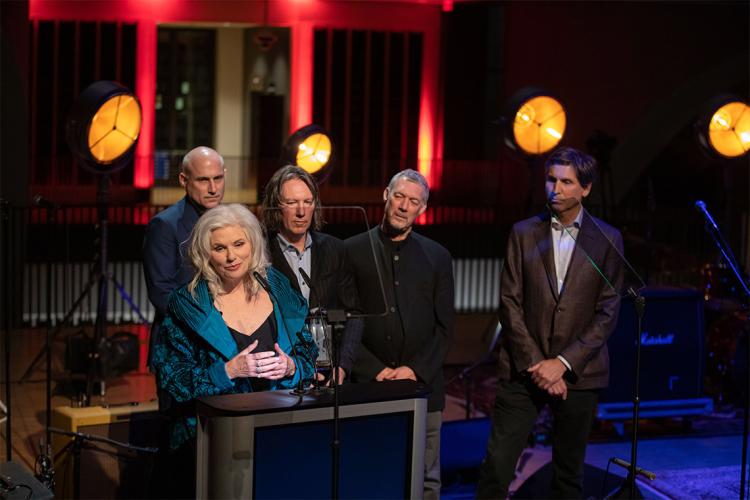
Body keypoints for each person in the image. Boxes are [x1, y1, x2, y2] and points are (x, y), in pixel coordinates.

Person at [476, 147, 624, 498]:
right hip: (523, 369)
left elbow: (608, 311)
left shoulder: (607, 239)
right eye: (550, 179)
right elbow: (509, 303)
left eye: (566, 182)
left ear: (585, 189)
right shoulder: (523, 232)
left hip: (579, 373)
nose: (555, 188)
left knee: (568, 475)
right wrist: (537, 364)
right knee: (496, 467)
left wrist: (562, 363)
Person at [151, 203, 316, 498]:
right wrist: (226, 371)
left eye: (239, 244)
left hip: (278, 437)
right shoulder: (187, 304)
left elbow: (308, 355)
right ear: (205, 253)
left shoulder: (276, 287)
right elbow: (171, 379)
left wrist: (292, 367)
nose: (231, 257)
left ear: (252, 244)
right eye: (219, 248)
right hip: (209, 441)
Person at [345, 169, 454, 500]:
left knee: (425, 480)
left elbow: (445, 327)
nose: (404, 206)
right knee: (369, 472)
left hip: (423, 387)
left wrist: (414, 371)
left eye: (414, 201)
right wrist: (373, 370)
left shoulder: (437, 256)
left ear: (422, 209)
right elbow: (348, 319)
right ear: (385, 196)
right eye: (399, 197)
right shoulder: (351, 250)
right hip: (368, 385)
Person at [261, 165, 363, 384]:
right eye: (291, 203)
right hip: (279, 375)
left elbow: (354, 313)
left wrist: (342, 366)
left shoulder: (334, 249)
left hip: (327, 373)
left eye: (308, 202)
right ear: (275, 206)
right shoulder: (260, 253)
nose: (301, 211)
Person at [142, 146, 226, 369]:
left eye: (218, 178)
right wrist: (208, 325)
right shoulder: (165, 225)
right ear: (183, 180)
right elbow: (161, 292)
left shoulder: (231, 221)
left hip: (223, 348)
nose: (213, 188)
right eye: (203, 180)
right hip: (179, 349)